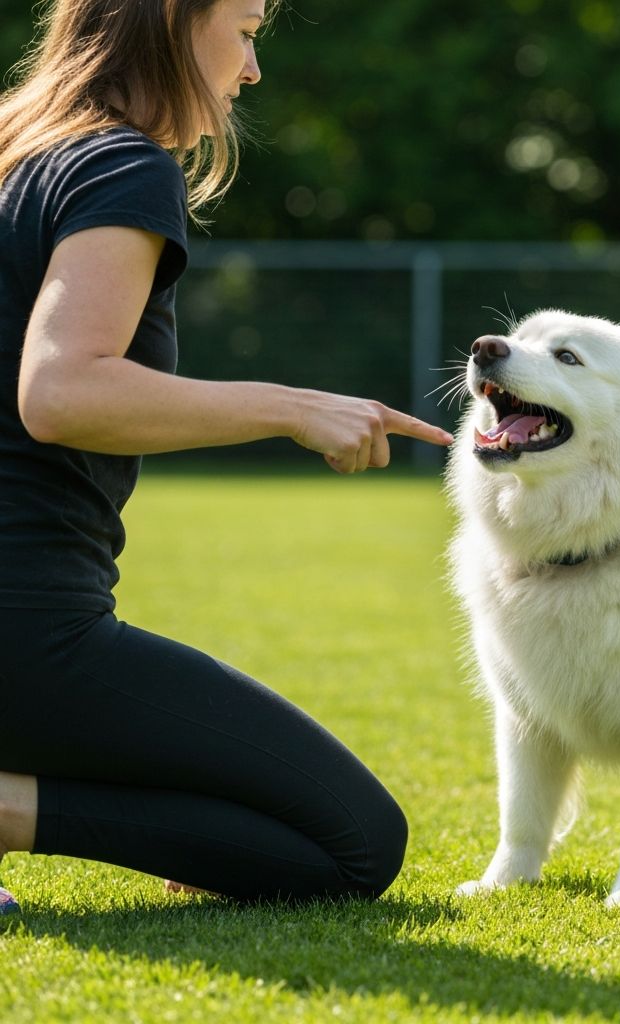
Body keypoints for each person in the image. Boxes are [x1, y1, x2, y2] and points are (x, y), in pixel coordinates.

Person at [0, 0, 453, 914]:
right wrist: (290, 409)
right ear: (173, 19)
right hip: (26, 634)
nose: (252, 70)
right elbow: (62, 391)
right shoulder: (120, 164)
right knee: (357, 845)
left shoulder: (17, 151)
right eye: (245, 30)